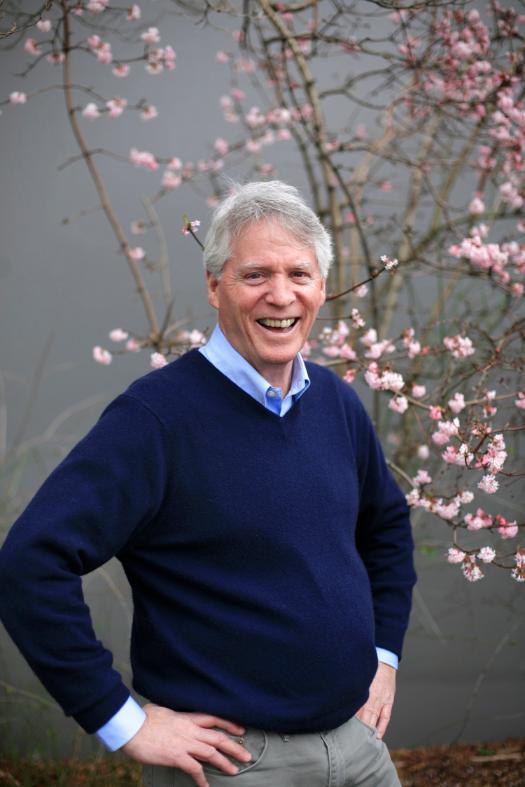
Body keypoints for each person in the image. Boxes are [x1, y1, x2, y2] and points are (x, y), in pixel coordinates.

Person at [0, 181, 416, 787]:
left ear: (321, 287)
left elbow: (385, 528)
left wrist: (384, 657)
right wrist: (123, 721)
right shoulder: (156, 420)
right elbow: (29, 563)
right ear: (214, 286)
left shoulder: (335, 402)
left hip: (357, 750)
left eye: (300, 273)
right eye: (255, 275)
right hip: (233, 766)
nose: (281, 295)